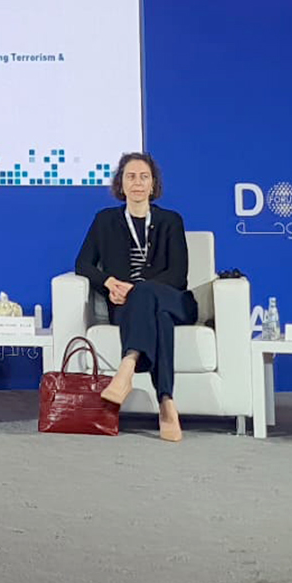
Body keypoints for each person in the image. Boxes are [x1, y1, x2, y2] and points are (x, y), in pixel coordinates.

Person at [76, 151, 196, 441]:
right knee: (160, 319)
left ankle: (127, 365)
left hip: (175, 302)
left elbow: (178, 275)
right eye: (131, 177)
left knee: (148, 295)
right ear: (121, 183)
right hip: (130, 309)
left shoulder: (171, 220)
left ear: (153, 184)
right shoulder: (105, 220)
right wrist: (108, 283)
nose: (138, 183)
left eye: (144, 177)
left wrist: (135, 288)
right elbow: (83, 264)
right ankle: (166, 402)